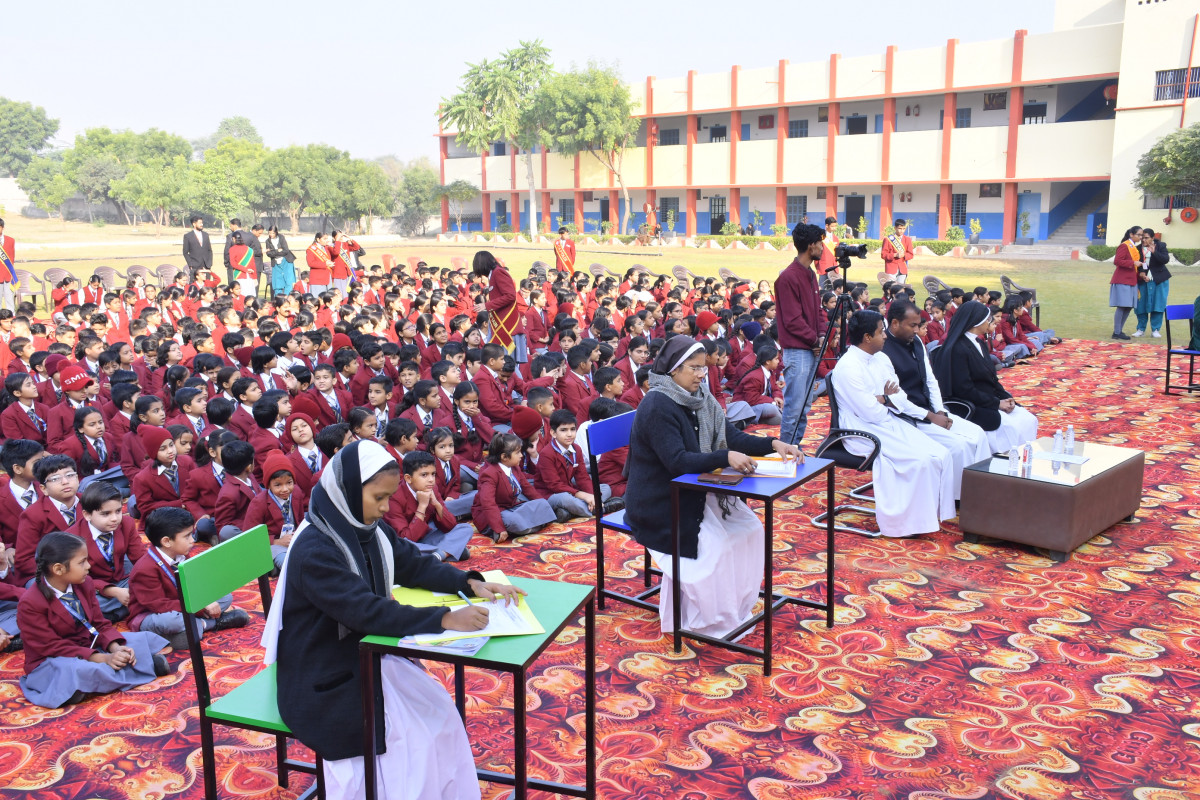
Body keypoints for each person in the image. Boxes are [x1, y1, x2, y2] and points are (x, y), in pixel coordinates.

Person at [262, 440, 522, 799]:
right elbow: (365, 611)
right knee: (412, 742)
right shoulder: (315, 549)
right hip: (323, 670)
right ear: (348, 491)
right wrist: (446, 618)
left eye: (389, 497)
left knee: (439, 717)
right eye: (379, 498)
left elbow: (411, 563)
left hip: (364, 651)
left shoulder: (362, 523)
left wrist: (468, 583)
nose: (385, 508)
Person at [625, 336, 802, 638]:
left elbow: (730, 436)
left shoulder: (699, 396)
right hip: (661, 500)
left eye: (702, 368)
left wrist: (773, 444)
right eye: (694, 368)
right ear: (673, 369)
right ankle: (706, 620)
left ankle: (734, 609)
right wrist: (724, 457)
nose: (700, 375)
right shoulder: (657, 404)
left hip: (693, 489)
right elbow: (677, 461)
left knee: (749, 530)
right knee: (718, 547)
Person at [830, 310, 956, 538]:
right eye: (881, 332)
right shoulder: (848, 367)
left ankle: (928, 515)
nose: (886, 336)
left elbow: (900, 396)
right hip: (861, 430)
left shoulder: (881, 358)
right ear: (867, 337)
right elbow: (871, 414)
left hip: (887, 420)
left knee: (940, 453)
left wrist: (883, 399)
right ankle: (904, 523)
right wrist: (886, 400)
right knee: (919, 460)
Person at [18, 531, 170, 708]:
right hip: (54, 658)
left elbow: (99, 623)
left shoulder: (85, 583)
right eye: (82, 562)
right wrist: (104, 658)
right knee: (78, 669)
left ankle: (85, 685)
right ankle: (142, 667)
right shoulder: (30, 603)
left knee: (136, 640)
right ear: (58, 569)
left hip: (89, 643)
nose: (88, 566)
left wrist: (115, 647)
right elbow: (51, 646)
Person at [880, 303, 991, 502]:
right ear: (895, 323)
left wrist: (940, 410)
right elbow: (897, 400)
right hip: (908, 417)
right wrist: (931, 417)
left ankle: (980, 492)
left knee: (978, 434)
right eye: (912, 325)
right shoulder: (883, 351)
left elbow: (930, 379)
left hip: (931, 410)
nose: (917, 330)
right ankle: (957, 499)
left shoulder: (916, 341)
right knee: (959, 446)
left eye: (918, 325)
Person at [129, 507, 248, 650]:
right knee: (172, 621)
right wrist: (200, 607)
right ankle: (212, 624)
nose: (192, 540)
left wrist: (205, 600)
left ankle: (194, 627)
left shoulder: (181, 554)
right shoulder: (145, 569)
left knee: (225, 597)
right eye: (187, 536)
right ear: (166, 541)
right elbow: (160, 606)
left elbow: (193, 584)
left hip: (182, 605)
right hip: (153, 615)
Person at [932, 300, 1039, 452]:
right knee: (1011, 427)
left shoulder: (980, 343)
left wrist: (1006, 397)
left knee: (1027, 419)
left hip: (989, 398)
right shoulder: (957, 349)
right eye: (987, 319)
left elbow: (992, 379)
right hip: (972, 403)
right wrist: (996, 403)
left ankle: (1024, 459)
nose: (990, 322)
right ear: (977, 322)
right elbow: (964, 389)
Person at [775, 223, 825, 446]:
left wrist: (821, 335)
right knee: (794, 407)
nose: (823, 248)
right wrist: (815, 339)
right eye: (820, 243)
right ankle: (785, 451)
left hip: (810, 347)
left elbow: (818, 311)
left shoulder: (810, 274)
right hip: (798, 351)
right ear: (811, 245)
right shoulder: (788, 277)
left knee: (804, 406)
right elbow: (793, 320)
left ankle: (795, 447)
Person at [472, 251, 520, 351]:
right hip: (499, 322)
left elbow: (510, 296)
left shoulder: (498, 272)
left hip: (507, 324)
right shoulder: (493, 274)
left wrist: (487, 305)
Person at [1133, 228, 1171, 338]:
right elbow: (1137, 264)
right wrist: (1141, 273)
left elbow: (1165, 260)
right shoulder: (1137, 248)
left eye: (1146, 238)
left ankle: (1155, 330)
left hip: (1159, 279)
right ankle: (1140, 329)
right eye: (1142, 237)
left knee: (1158, 304)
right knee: (1140, 304)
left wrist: (1154, 252)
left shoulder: (1160, 246)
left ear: (1152, 238)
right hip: (1143, 280)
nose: (1143, 240)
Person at [1110, 226, 1142, 340]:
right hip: (1123, 279)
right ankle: (1116, 332)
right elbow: (1117, 261)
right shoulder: (1124, 245)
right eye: (1139, 235)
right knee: (1122, 305)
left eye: (1141, 235)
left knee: (1129, 306)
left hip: (1131, 280)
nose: (1140, 237)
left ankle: (1119, 331)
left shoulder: (1133, 246)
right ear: (1131, 234)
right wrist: (1133, 262)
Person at [264, 225, 296, 297]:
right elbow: (268, 254)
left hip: (286, 261)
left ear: (276, 232)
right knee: (277, 282)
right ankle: (278, 298)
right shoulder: (267, 241)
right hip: (275, 262)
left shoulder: (281, 238)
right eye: (269, 233)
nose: (271, 235)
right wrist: (277, 250)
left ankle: (287, 297)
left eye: (273, 233)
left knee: (289, 281)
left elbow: (286, 250)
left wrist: (273, 252)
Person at [880, 218, 914, 285]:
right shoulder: (888, 239)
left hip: (902, 269)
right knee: (891, 288)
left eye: (903, 229)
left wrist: (904, 255)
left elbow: (911, 254)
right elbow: (883, 255)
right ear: (895, 228)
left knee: (901, 288)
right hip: (891, 268)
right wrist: (895, 255)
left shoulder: (908, 239)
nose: (902, 231)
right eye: (900, 228)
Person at [181, 215, 213, 283]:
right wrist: (190, 264)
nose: (202, 224)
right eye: (200, 223)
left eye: (202, 223)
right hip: (195, 265)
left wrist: (209, 263)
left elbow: (209, 250)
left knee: (207, 285)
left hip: (206, 266)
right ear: (194, 224)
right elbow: (185, 252)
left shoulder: (206, 235)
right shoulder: (188, 236)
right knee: (194, 285)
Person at [0, 218, 17, 313]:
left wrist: (11, 273)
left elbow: (12, 257)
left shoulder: (11, 240)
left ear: (2, 227)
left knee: (9, 298)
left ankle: (12, 316)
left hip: (8, 275)